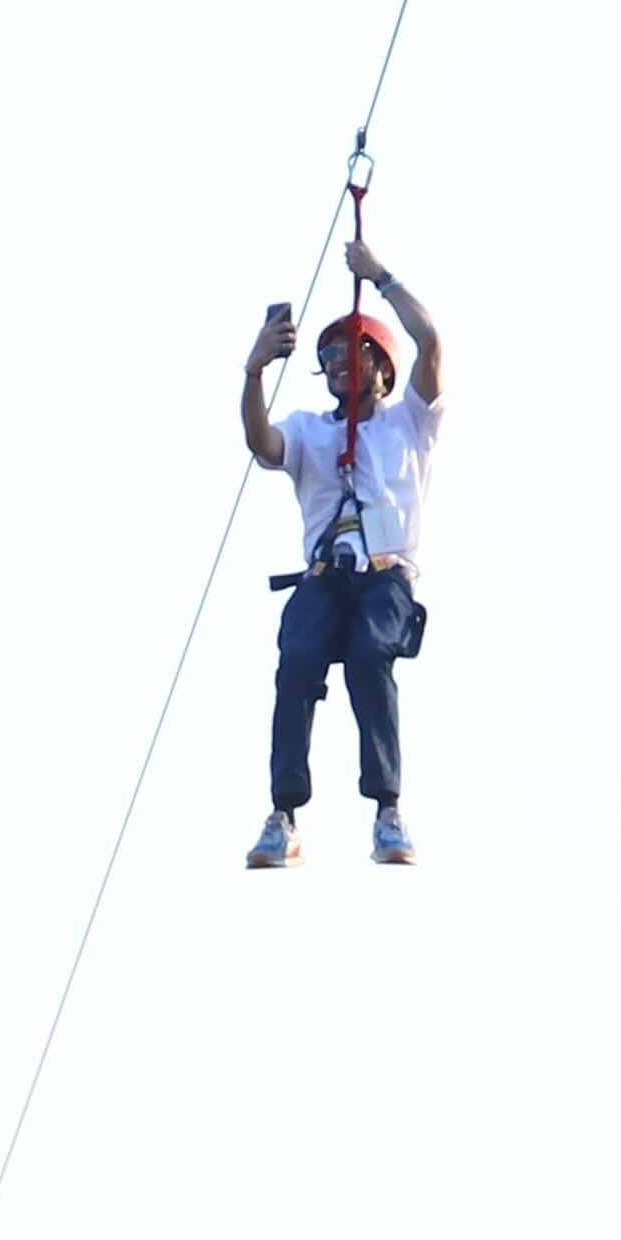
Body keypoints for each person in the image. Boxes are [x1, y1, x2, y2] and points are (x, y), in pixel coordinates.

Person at [239, 236, 445, 870]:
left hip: (384, 579)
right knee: (297, 657)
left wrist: (378, 275)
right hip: (326, 578)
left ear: (382, 367)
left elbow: (430, 342)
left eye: (353, 351)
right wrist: (254, 372)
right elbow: (262, 441)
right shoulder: (309, 429)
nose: (338, 361)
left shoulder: (407, 421)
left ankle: (387, 808)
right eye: (329, 353)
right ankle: (284, 813)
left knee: (367, 657)